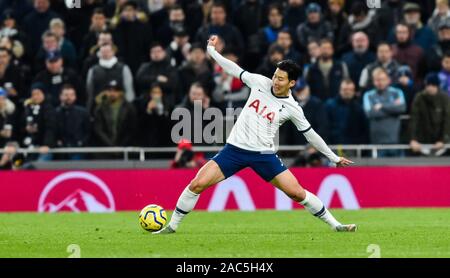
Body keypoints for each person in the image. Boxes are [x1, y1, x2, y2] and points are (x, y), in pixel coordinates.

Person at [154, 35, 356, 235]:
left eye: (281, 79)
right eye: (275, 75)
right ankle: (171, 227)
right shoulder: (260, 82)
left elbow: (311, 135)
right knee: (197, 184)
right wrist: (213, 52)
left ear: (292, 83)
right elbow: (234, 69)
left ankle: (335, 224)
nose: (275, 81)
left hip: (263, 155)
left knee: (297, 193)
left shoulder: (292, 108)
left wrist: (333, 157)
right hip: (234, 150)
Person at [409, 73, 450, 156]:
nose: (430, 87)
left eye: (433, 85)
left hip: (440, 142)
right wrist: (413, 139)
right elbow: (414, 119)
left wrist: (443, 140)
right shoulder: (419, 98)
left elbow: (447, 120)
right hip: (422, 141)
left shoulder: (445, 98)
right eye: (428, 85)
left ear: (437, 86)